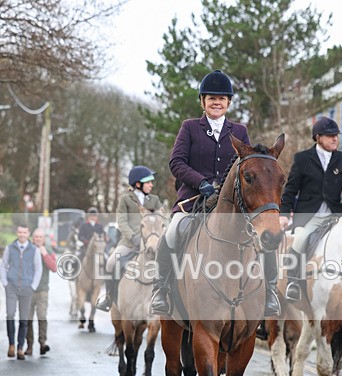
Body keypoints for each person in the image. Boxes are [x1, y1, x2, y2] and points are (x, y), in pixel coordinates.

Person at [151, 69, 280, 318]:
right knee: (172, 231)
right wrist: (201, 182)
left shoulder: (239, 131)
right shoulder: (190, 128)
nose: (217, 102)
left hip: (231, 203)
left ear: (228, 102)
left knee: (262, 235)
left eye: (222, 98)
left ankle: (270, 291)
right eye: (211, 98)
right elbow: (176, 162)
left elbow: (247, 165)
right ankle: (161, 289)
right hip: (194, 199)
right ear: (203, 101)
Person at [279, 116, 342, 300]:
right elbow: (290, 190)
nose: (335, 139)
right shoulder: (302, 159)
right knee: (300, 239)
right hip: (310, 216)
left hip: (336, 215)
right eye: (330, 136)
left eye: (336, 135)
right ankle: (293, 282)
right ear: (318, 137)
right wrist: (283, 214)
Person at [97, 165, 162, 312]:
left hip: (152, 242)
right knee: (111, 263)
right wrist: (133, 237)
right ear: (138, 184)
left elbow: (161, 219)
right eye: (148, 182)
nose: (151, 185)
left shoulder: (155, 200)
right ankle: (108, 297)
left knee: (169, 263)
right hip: (129, 243)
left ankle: (165, 297)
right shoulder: (126, 200)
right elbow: (121, 222)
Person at [0, 225, 42, 360]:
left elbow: (38, 269)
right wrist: (5, 283)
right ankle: (11, 344)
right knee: (10, 314)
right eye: (20, 232)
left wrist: (33, 286)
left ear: (28, 234)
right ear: (16, 233)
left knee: (24, 318)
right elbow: (3, 266)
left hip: (27, 288)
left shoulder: (34, 250)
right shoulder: (9, 248)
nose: (22, 235)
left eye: (24, 232)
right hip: (11, 287)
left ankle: (20, 347)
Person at [25, 229, 57, 356]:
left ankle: (42, 343)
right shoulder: (28, 250)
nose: (38, 239)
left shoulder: (48, 250)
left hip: (42, 290)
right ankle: (29, 345)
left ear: (44, 239)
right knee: (27, 319)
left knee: (42, 317)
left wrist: (45, 254)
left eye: (40, 237)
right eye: (36, 237)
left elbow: (54, 268)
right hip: (28, 291)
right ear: (33, 238)